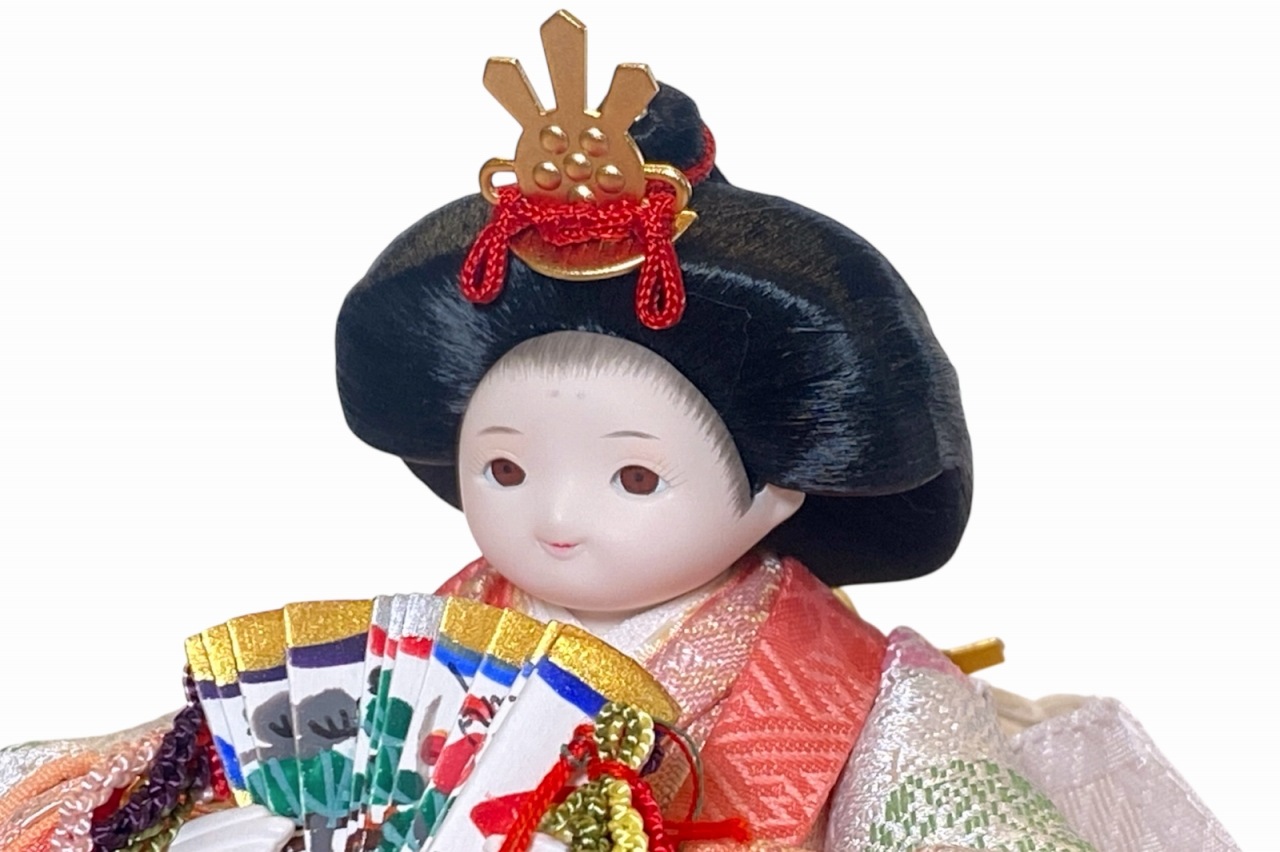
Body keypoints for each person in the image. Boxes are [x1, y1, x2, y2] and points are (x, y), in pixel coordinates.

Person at [0, 15, 1240, 852]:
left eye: (635, 476)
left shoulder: (868, 697)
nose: (552, 515)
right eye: (502, 466)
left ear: (779, 488)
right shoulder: (418, 651)